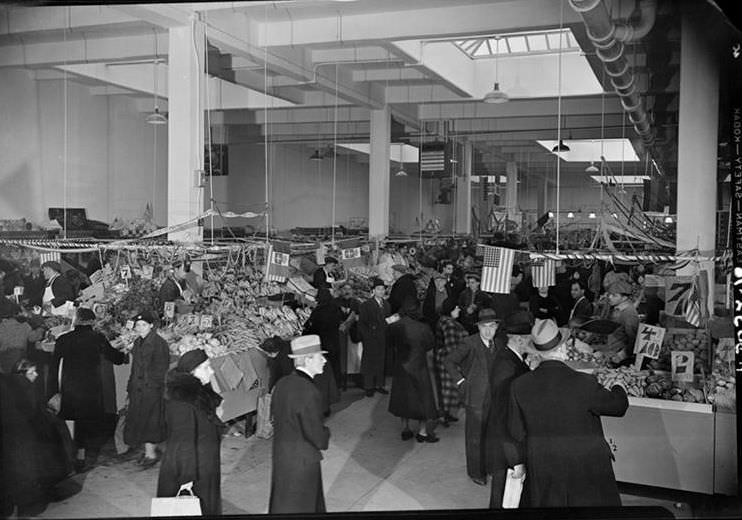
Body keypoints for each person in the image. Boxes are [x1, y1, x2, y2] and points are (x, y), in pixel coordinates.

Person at [508, 318, 629, 507]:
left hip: (543, 466)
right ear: (563, 349)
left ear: (538, 353)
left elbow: (515, 430)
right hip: (585, 465)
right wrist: (619, 386)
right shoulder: (584, 383)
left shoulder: (519, 386)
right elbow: (618, 407)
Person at [49, 307, 127, 472]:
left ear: (76, 320)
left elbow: (54, 367)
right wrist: (124, 355)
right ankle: (82, 456)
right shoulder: (97, 337)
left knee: (72, 420)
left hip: (70, 386)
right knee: (86, 422)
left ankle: (71, 455)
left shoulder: (63, 339)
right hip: (91, 388)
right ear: (92, 321)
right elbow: (114, 357)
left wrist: (53, 391)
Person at [157, 349, 225, 516]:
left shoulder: (199, 392)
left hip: (204, 461)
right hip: (194, 467)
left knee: (208, 502)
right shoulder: (182, 402)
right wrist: (186, 479)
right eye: (206, 367)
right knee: (198, 506)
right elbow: (182, 442)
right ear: (192, 372)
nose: (212, 371)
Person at [269, 335, 331, 514]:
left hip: (282, 457)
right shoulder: (308, 390)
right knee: (303, 505)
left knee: (283, 502)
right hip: (303, 462)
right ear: (308, 359)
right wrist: (326, 433)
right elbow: (317, 437)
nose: (324, 360)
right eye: (320, 356)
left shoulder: (282, 383)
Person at [444, 308, 506, 486]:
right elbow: (449, 361)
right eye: (484, 326)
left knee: (491, 434)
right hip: (476, 398)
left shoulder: (499, 343)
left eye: (491, 326)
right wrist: (461, 382)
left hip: (495, 397)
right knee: (475, 437)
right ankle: (475, 472)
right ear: (478, 327)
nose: (488, 331)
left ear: (496, 327)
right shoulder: (469, 343)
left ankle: (488, 466)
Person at [485, 310, 532, 508]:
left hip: (505, 445)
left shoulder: (510, 359)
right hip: (506, 447)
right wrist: (516, 459)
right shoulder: (507, 367)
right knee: (504, 499)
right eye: (530, 339)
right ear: (521, 339)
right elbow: (504, 416)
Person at [388, 298, 439, 443]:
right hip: (419, 366)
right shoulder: (423, 328)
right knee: (422, 399)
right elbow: (430, 345)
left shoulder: (395, 326)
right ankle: (422, 432)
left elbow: (390, 343)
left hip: (401, 365)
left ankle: (406, 429)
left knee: (402, 397)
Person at [124, 310, 169, 467]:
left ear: (151, 325)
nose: (140, 327)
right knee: (142, 422)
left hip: (151, 390)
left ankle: (151, 454)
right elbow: (135, 368)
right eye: (138, 325)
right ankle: (148, 452)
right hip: (138, 389)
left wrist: (152, 386)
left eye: (144, 325)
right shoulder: (137, 342)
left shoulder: (159, 343)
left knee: (151, 423)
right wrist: (130, 386)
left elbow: (161, 369)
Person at [302, 288, 342, 415]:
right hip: (334, 344)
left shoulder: (318, 311)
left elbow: (311, 328)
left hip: (322, 346)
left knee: (322, 377)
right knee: (332, 375)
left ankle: (322, 406)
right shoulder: (336, 308)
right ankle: (331, 400)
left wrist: (305, 332)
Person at [434, 298, 466, 426]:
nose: (458, 310)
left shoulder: (443, 321)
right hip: (449, 359)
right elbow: (451, 346)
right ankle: (443, 415)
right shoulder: (450, 325)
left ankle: (445, 414)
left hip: (442, 357)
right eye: (456, 308)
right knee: (448, 387)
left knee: (445, 386)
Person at [358, 277, 391, 397]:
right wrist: (367, 337)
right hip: (371, 338)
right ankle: (369, 386)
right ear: (373, 291)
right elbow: (361, 323)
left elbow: (388, 320)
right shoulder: (366, 305)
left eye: (383, 289)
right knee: (369, 362)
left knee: (381, 361)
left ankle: (379, 385)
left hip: (383, 337)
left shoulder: (387, 304)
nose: (381, 291)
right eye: (379, 289)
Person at [0, 297, 45, 374]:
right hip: (20, 359)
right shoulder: (24, 326)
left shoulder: (1, 326)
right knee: (32, 374)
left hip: (3, 360)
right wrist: (41, 328)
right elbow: (34, 337)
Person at [605, 279, 640, 364]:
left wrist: (621, 356)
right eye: (609, 294)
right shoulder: (617, 309)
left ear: (624, 297)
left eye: (614, 295)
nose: (610, 297)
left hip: (621, 360)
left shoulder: (629, 313)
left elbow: (635, 340)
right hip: (612, 354)